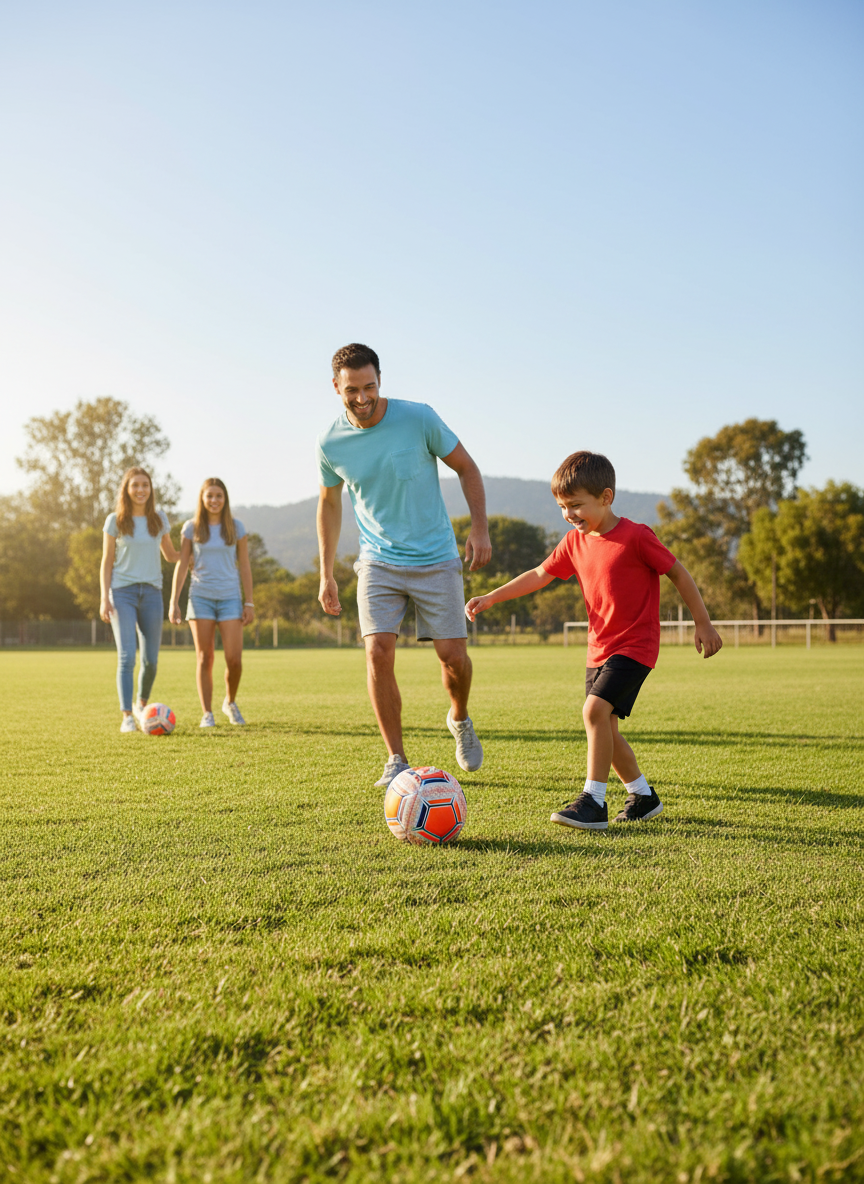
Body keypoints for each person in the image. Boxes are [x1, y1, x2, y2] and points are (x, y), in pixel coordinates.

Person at [466, 450, 723, 829]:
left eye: (575, 505)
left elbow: (679, 574)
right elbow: (539, 574)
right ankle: (643, 796)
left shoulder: (637, 536)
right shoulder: (574, 542)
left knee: (593, 713)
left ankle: (593, 801)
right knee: (606, 726)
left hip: (635, 646)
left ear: (606, 497)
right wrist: (492, 596)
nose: (569, 514)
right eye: (562, 507)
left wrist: (703, 623)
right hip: (597, 648)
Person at [316, 342, 492, 787]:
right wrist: (326, 572)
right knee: (377, 651)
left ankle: (459, 717)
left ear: (380, 380)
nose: (362, 397)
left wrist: (480, 528)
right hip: (377, 561)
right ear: (335, 387)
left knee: (453, 658)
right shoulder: (330, 442)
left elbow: (467, 468)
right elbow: (329, 505)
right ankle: (396, 758)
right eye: (352, 389)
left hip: (436, 558)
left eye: (369, 386)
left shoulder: (419, 418)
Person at [169, 478, 254, 728]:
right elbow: (182, 565)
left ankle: (230, 702)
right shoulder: (191, 528)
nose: (214, 500)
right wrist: (174, 601)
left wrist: (249, 602)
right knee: (205, 658)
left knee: (234, 659)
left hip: (230, 598)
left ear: (225, 499)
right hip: (200, 597)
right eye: (210, 496)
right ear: (202, 499)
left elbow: (245, 565)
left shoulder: (236, 528)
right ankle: (207, 713)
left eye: (219, 496)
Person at [100, 466, 180, 732]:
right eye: (135, 485)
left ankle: (140, 703)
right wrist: (104, 597)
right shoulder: (115, 520)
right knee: (127, 657)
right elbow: (107, 561)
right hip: (122, 593)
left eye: (145, 485)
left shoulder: (159, 519)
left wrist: (192, 554)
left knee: (151, 660)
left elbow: (170, 555)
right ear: (127, 489)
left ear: (151, 489)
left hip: (152, 594)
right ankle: (126, 717)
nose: (140, 490)